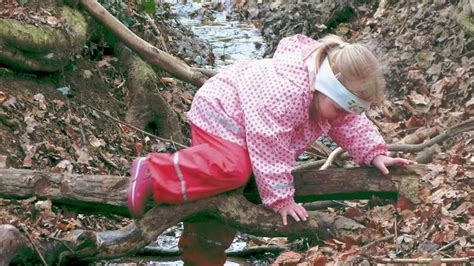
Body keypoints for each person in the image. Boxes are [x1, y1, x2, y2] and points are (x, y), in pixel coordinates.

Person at [126, 34, 413, 265]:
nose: (339, 117)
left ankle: (205, 255)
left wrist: (375, 152)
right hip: (222, 113)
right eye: (338, 108)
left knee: (226, 190)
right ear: (324, 87)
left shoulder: (328, 100)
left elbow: (351, 124)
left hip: (248, 126)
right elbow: (269, 143)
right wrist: (281, 198)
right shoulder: (287, 92)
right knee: (233, 171)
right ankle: (154, 172)